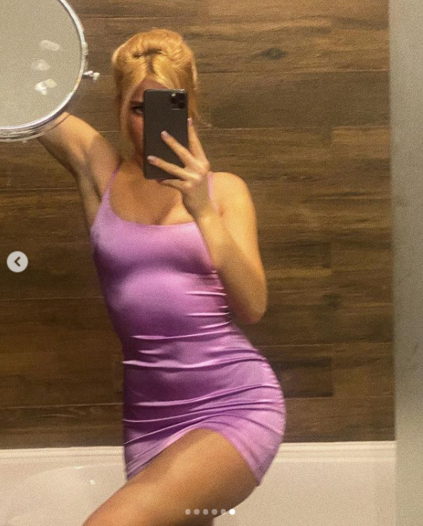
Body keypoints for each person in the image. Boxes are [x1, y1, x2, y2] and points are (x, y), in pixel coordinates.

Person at [35, 29, 285, 526]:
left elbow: (253, 305)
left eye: (166, 104)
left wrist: (202, 210)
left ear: (189, 105)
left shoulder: (225, 192)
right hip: (147, 418)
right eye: (137, 108)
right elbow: (28, 100)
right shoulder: (101, 175)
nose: (149, 122)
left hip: (233, 405)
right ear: (119, 107)